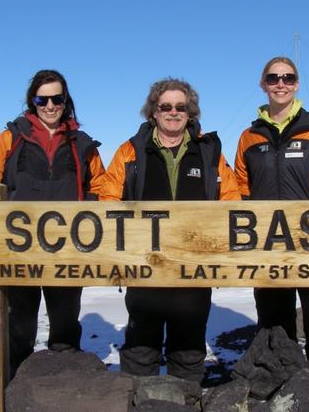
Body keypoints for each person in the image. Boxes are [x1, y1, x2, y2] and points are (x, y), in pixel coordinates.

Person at [100, 77, 240, 382]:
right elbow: (107, 197)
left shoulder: (208, 151)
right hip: (144, 272)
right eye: (166, 106)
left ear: (191, 112)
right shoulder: (130, 152)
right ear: (153, 111)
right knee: (140, 352)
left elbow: (232, 199)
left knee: (188, 353)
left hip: (194, 273)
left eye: (181, 106)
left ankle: (186, 402)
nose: (173, 112)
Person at [0, 69, 105, 378]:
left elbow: (102, 191)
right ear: (32, 101)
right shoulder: (11, 138)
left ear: (66, 101)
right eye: (42, 99)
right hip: (19, 251)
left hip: (68, 252)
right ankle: (13, 391)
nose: (50, 106)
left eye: (57, 98)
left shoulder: (82, 144)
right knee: (18, 330)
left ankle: (63, 391)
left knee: (65, 331)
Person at [234, 56, 309, 359]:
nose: (280, 84)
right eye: (273, 78)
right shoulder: (249, 137)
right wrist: (254, 220)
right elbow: (240, 185)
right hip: (268, 242)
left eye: (287, 78)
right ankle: (278, 382)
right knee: (273, 319)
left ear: (296, 84)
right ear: (264, 85)